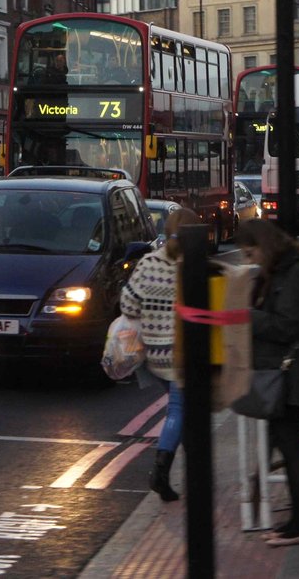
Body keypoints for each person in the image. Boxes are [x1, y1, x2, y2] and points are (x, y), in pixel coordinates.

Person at [238, 219, 299, 547]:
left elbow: (288, 326)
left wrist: (248, 316)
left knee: (291, 448)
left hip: (291, 374)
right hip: (281, 372)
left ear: (264, 245)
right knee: (287, 445)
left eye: (251, 252)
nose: (249, 259)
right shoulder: (279, 270)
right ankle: (296, 521)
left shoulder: (294, 272)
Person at [119, 206, 200, 502]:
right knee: (179, 409)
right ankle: (160, 473)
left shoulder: (149, 263)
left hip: (155, 353)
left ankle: (192, 471)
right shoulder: (193, 266)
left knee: (184, 408)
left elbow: (128, 305)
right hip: (182, 352)